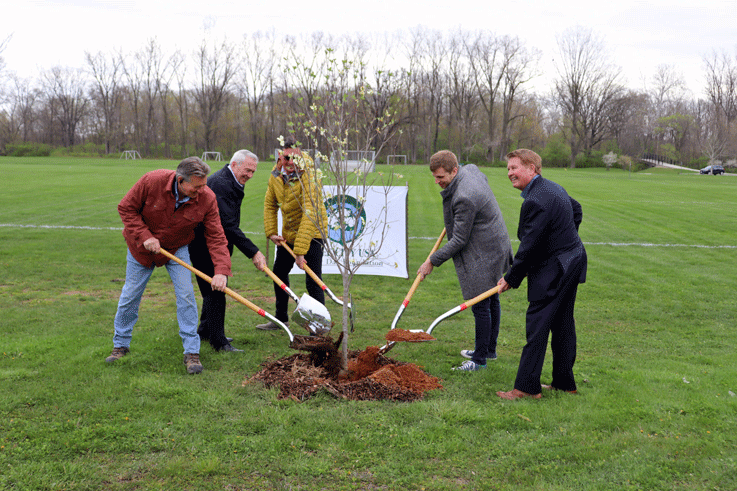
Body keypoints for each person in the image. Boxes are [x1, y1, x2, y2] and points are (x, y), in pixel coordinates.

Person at [106, 157, 231, 374]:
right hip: (140, 248)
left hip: (176, 248)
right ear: (180, 180)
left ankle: (192, 353)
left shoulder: (207, 197)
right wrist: (145, 236)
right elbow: (126, 208)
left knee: (186, 296)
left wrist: (221, 271)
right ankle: (120, 345)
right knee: (130, 295)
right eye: (197, 186)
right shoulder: (151, 181)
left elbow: (217, 236)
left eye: (204, 184)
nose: (202, 190)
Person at [496, 148, 587, 400]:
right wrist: (565, 240)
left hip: (557, 269)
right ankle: (564, 383)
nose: (510, 173)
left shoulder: (537, 200)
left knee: (538, 323)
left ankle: (526, 388)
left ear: (532, 169)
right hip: (573, 259)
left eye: (514, 168)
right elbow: (576, 210)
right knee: (562, 322)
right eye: (508, 169)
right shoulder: (551, 188)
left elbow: (529, 248)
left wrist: (511, 278)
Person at [418, 150, 513, 371]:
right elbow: (482, 178)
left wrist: (432, 261)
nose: (437, 181)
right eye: (434, 176)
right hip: (495, 241)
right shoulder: (470, 169)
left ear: (455, 169)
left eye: (441, 177)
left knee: (481, 302)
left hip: (486, 251)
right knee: (491, 299)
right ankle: (488, 350)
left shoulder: (465, 197)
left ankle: (479, 360)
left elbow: (459, 240)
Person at [189, 150, 267, 352]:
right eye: (247, 170)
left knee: (211, 290)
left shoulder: (230, 181)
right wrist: (254, 252)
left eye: (253, 172)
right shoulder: (221, 184)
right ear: (234, 165)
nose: (249, 175)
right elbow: (227, 225)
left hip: (214, 244)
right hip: (205, 245)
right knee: (217, 291)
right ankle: (219, 341)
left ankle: (206, 331)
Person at [256, 138, 328, 330]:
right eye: (285, 157)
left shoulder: (309, 175)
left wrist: (300, 251)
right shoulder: (276, 175)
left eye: (294, 157)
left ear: (300, 155)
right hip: (289, 233)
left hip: (313, 232)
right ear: (280, 155)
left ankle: (318, 327)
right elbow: (270, 203)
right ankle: (280, 319)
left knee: (313, 280)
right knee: (278, 273)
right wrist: (271, 232)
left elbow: (310, 213)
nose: (289, 162)